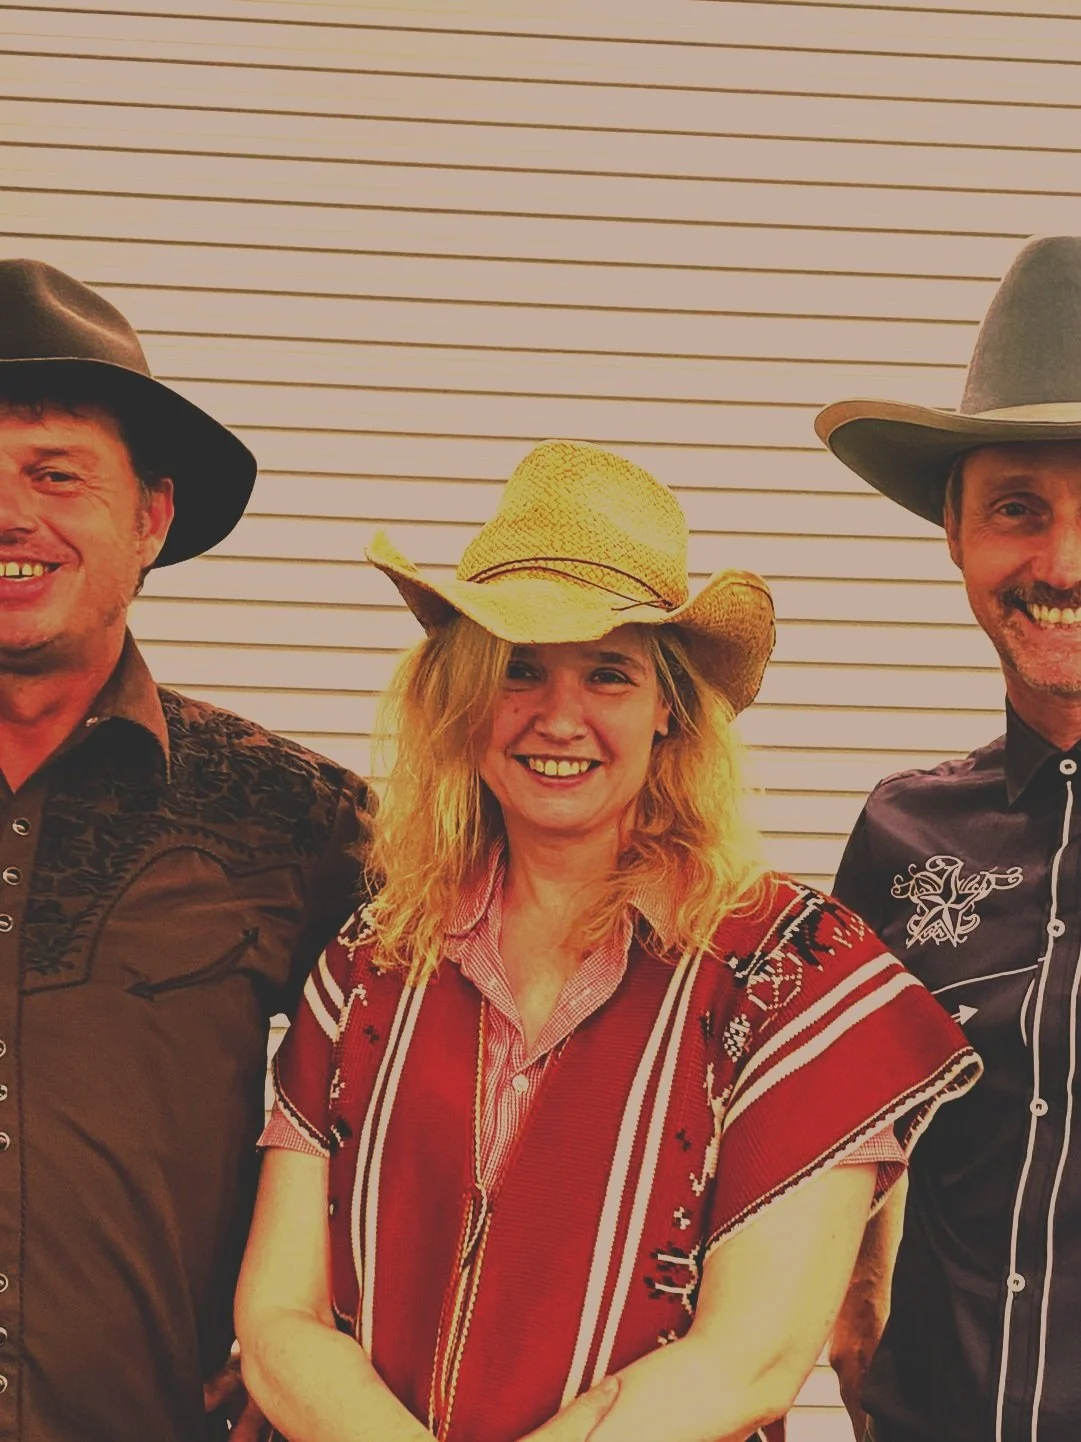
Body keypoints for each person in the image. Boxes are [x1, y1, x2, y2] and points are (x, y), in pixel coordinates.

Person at [235, 439, 979, 1442]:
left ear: (669, 705)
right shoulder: (369, 962)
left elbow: (750, 1357)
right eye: (520, 667)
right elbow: (280, 1313)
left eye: (609, 672)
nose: (559, 714)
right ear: (464, 695)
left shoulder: (796, 973)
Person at [0, 258, 372, 1442]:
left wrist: (312, 1357)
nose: (12, 513)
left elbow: (444, 1079)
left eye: (55, 473)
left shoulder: (290, 814)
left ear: (152, 515)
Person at [817, 234, 1081, 1442]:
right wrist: (851, 1308)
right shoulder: (899, 833)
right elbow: (840, 1131)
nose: (1059, 563)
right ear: (954, 536)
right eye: (1016, 509)